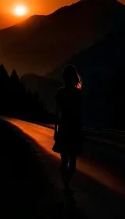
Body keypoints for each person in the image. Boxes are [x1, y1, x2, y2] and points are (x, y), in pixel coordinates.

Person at [52, 64, 82, 196]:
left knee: (65, 159)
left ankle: (65, 184)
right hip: (73, 127)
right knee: (72, 160)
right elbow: (79, 113)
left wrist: (56, 130)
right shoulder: (77, 93)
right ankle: (66, 184)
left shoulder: (60, 92)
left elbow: (57, 113)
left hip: (65, 127)